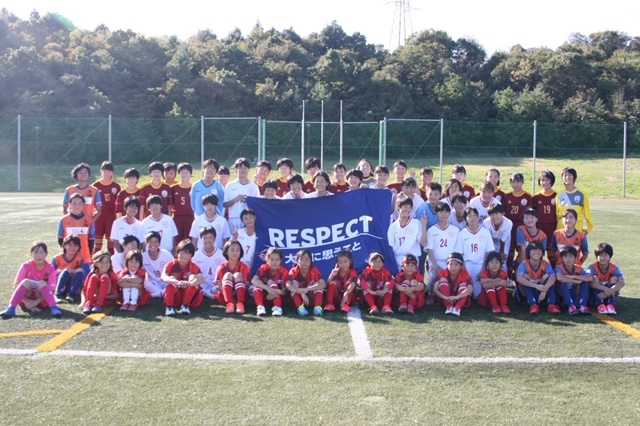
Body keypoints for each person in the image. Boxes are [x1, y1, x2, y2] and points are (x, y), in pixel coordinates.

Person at [0, 241, 62, 319]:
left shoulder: (50, 268)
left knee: (42, 283)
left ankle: (54, 308)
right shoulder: (26, 266)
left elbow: (52, 290)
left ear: (46, 253)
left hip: (42, 299)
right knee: (25, 282)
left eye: (41, 252)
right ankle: (11, 308)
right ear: (31, 253)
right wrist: (26, 302)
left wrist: (35, 302)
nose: (38, 255)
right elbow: (16, 285)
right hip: (26, 298)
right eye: (35, 252)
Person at [455, 207, 494, 298]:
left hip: (480, 264)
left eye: (475, 215)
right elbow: (459, 254)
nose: (472, 218)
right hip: (467, 264)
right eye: (469, 215)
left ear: (478, 217)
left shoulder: (485, 232)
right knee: (466, 293)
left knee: (478, 295)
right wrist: (463, 269)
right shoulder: (462, 234)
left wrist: (483, 269)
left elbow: (489, 252)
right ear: (466, 218)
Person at [426, 202, 459, 304]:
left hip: (450, 261)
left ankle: (450, 295)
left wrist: (454, 264)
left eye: (446, 211)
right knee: (432, 276)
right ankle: (430, 293)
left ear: (449, 213)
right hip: (436, 260)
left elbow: (457, 250)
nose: (443, 214)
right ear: (436, 213)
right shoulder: (431, 230)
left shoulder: (455, 230)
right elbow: (429, 249)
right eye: (441, 211)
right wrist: (434, 263)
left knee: (452, 279)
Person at [161, 239, 205, 316]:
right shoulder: (171, 264)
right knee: (171, 279)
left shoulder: (193, 266)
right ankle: (169, 307)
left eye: (188, 253)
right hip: (176, 295)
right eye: (183, 252)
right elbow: (163, 276)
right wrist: (176, 282)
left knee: (193, 277)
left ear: (191, 256)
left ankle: (185, 305)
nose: (185, 255)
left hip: (190, 297)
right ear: (177, 252)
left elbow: (202, 278)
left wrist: (189, 283)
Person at [515, 241, 560, 314]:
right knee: (525, 278)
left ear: (542, 252)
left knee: (548, 277)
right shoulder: (524, 264)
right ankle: (533, 305)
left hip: (541, 294)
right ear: (528, 252)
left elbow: (553, 276)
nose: (536, 252)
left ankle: (551, 305)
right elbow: (518, 278)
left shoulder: (545, 264)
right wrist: (536, 286)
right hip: (525, 296)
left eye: (539, 250)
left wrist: (545, 289)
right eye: (533, 250)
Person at [502, 173, 533, 275]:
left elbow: (530, 215)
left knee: (522, 250)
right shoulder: (507, 196)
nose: (516, 184)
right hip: (510, 228)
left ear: (522, 182)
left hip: (522, 228)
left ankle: (522, 272)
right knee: (509, 251)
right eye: (513, 182)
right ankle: (509, 275)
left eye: (518, 181)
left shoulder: (528, 197)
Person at [387, 197, 427, 268]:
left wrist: (424, 225)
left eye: (409, 207)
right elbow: (390, 246)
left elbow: (423, 243)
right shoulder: (393, 226)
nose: (407, 210)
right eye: (405, 206)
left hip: (413, 259)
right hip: (398, 259)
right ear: (398, 208)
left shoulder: (416, 223)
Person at [586, 243, 624, 315]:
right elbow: (589, 281)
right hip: (595, 298)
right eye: (600, 255)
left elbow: (622, 282)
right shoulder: (592, 267)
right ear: (596, 256)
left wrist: (609, 291)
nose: (603, 257)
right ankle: (600, 305)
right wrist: (606, 289)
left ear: (610, 256)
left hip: (607, 296)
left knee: (614, 278)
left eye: (605, 255)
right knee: (594, 278)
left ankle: (610, 305)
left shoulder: (614, 268)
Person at [251, 247, 290, 316]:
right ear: (267, 260)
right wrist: (268, 289)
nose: (274, 262)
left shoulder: (284, 272)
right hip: (265, 296)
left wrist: (277, 291)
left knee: (271, 282)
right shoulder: (263, 268)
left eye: (277, 260)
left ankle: (278, 308)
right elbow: (253, 280)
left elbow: (285, 292)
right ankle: (260, 307)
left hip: (277, 297)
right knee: (257, 286)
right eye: (272, 259)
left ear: (281, 260)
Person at [287, 249, 326, 316]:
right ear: (297, 261)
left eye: (307, 259)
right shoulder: (293, 271)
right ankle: (300, 308)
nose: (304, 262)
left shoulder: (314, 270)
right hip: (299, 298)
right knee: (293, 288)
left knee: (319, 287)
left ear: (311, 261)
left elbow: (323, 284)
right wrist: (301, 292)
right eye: (301, 259)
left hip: (311, 297)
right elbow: (288, 285)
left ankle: (318, 307)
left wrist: (306, 289)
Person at [215, 240, 251, 314]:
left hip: (240, 295)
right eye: (232, 250)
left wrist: (236, 292)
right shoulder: (221, 267)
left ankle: (240, 304)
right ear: (226, 252)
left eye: (238, 250)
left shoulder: (244, 267)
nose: (235, 253)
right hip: (225, 296)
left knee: (237, 275)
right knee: (228, 275)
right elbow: (218, 285)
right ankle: (229, 304)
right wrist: (227, 293)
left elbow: (247, 284)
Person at [58, 193, 95, 264]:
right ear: (69, 204)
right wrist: (68, 251)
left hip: (85, 257)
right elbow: (60, 239)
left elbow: (91, 240)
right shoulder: (63, 220)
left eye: (80, 204)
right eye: (74, 203)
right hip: (69, 258)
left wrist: (89, 253)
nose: (77, 206)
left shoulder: (89, 220)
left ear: (83, 205)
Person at [224, 157, 260, 229]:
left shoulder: (254, 186)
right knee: (234, 240)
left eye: (245, 168)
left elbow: (257, 205)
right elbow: (225, 204)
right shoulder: (230, 185)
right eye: (240, 168)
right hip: (234, 220)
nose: (243, 170)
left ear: (248, 170)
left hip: (249, 221)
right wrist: (235, 199)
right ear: (236, 170)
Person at [92, 161, 120, 254]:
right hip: (99, 215)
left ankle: (112, 263)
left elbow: (118, 203)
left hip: (111, 215)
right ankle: (95, 263)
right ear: (101, 171)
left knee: (111, 243)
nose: (107, 173)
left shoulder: (116, 186)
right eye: (105, 170)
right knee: (97, 244)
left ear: (112, 172)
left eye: (109, 171)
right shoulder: (95, 186)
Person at [555, 245, 592, 315]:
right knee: (562, 282)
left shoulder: (577, 268)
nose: (568, 259)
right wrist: (575, 281)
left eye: (570, 256)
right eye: (565, 256)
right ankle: (570, 306)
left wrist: (572, 276)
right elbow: (559, 278)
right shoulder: (559, 267)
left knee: (585, 282)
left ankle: (583, 305)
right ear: (561, 258)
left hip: (574, 294)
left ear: (575, 258)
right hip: (562, 296)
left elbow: (589, 278)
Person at [555, 167, 593, 234]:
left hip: (577, 229)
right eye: (565, 175)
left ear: (574, 177)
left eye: (570, 175)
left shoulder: (582, 194)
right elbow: (557, 215)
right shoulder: (559, 195)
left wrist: (588, 229)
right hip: (562, 230)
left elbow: (587, 213)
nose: (567, 177)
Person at [433, 252, 472, 316]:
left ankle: (458, 307)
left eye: (456, 265)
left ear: (461, 266)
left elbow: (470, 289)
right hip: (445, 299)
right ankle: (449, 306)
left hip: (459, 298)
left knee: (463, 284)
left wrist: (456, 297)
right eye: (450, 264)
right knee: (443, 280)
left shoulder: (464, 273)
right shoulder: (443, 272)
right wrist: (446, 298)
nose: (452, 267)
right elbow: (435, 289)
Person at [532, 170, 558, 266]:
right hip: (539, 228)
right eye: (542, 180)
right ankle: (539, 271)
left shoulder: (556, 196)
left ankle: (555, 271)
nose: (544, 182)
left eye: (547, 180)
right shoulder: (536, 197)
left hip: (552, 227)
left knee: (552, 253)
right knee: (539, 251)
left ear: (551, 181)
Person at [192, 227, 226, 300]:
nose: (207, 240)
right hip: (201, 284)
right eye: (205, 238)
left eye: (210, 238)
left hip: (216, 285)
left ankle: (208, 292)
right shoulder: (195, 255)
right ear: (201, 239)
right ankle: (206, 293)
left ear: (214, 238)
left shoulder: (221, 254)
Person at [52, 234, 87, 304]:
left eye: (75, 245)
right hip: (59, 282)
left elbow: (84, 273)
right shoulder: (57, 258)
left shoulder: (80, 258)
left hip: (71, 283)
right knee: (66, 272)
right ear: (64, 245)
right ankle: (57, 293)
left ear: (79, 247)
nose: (72, 247)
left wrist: (74, 271)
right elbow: (50, 273)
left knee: (80, 272)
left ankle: (71, 294)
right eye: (70, 245)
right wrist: (63, 271)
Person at [142, 231, 175, 299]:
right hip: (153, 283)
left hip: (166, 281)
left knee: (174, 284)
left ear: (159, 243)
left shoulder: (166, 254)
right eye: (150, 241)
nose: (153, 244)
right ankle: (164, 293)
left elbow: (175, 269)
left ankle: (154, 295)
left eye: (156, 241)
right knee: (146, 284)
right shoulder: (143, 256)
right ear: (146, 243)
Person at [482, 203, 513, 271]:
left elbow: (503, 239)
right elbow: (488, 241)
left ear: (503, 214)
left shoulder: (508, 223)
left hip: (504, 241)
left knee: (502, 260)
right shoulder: (485, 223)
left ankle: (504, 278)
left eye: (497, 214)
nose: (494, 217)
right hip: (491, 241)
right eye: (492, 214)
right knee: (490, 258)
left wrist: (501, 252)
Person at [170, 162, 194, 245]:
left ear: (190, 174)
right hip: (177, 218)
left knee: (188, 241)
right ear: (178, 174)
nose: (184, 174)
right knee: (176, 241)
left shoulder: (194, 187)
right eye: (182, 172)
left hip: (191, 218)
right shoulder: (173, 188)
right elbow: (170, 204)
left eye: (187, 172)